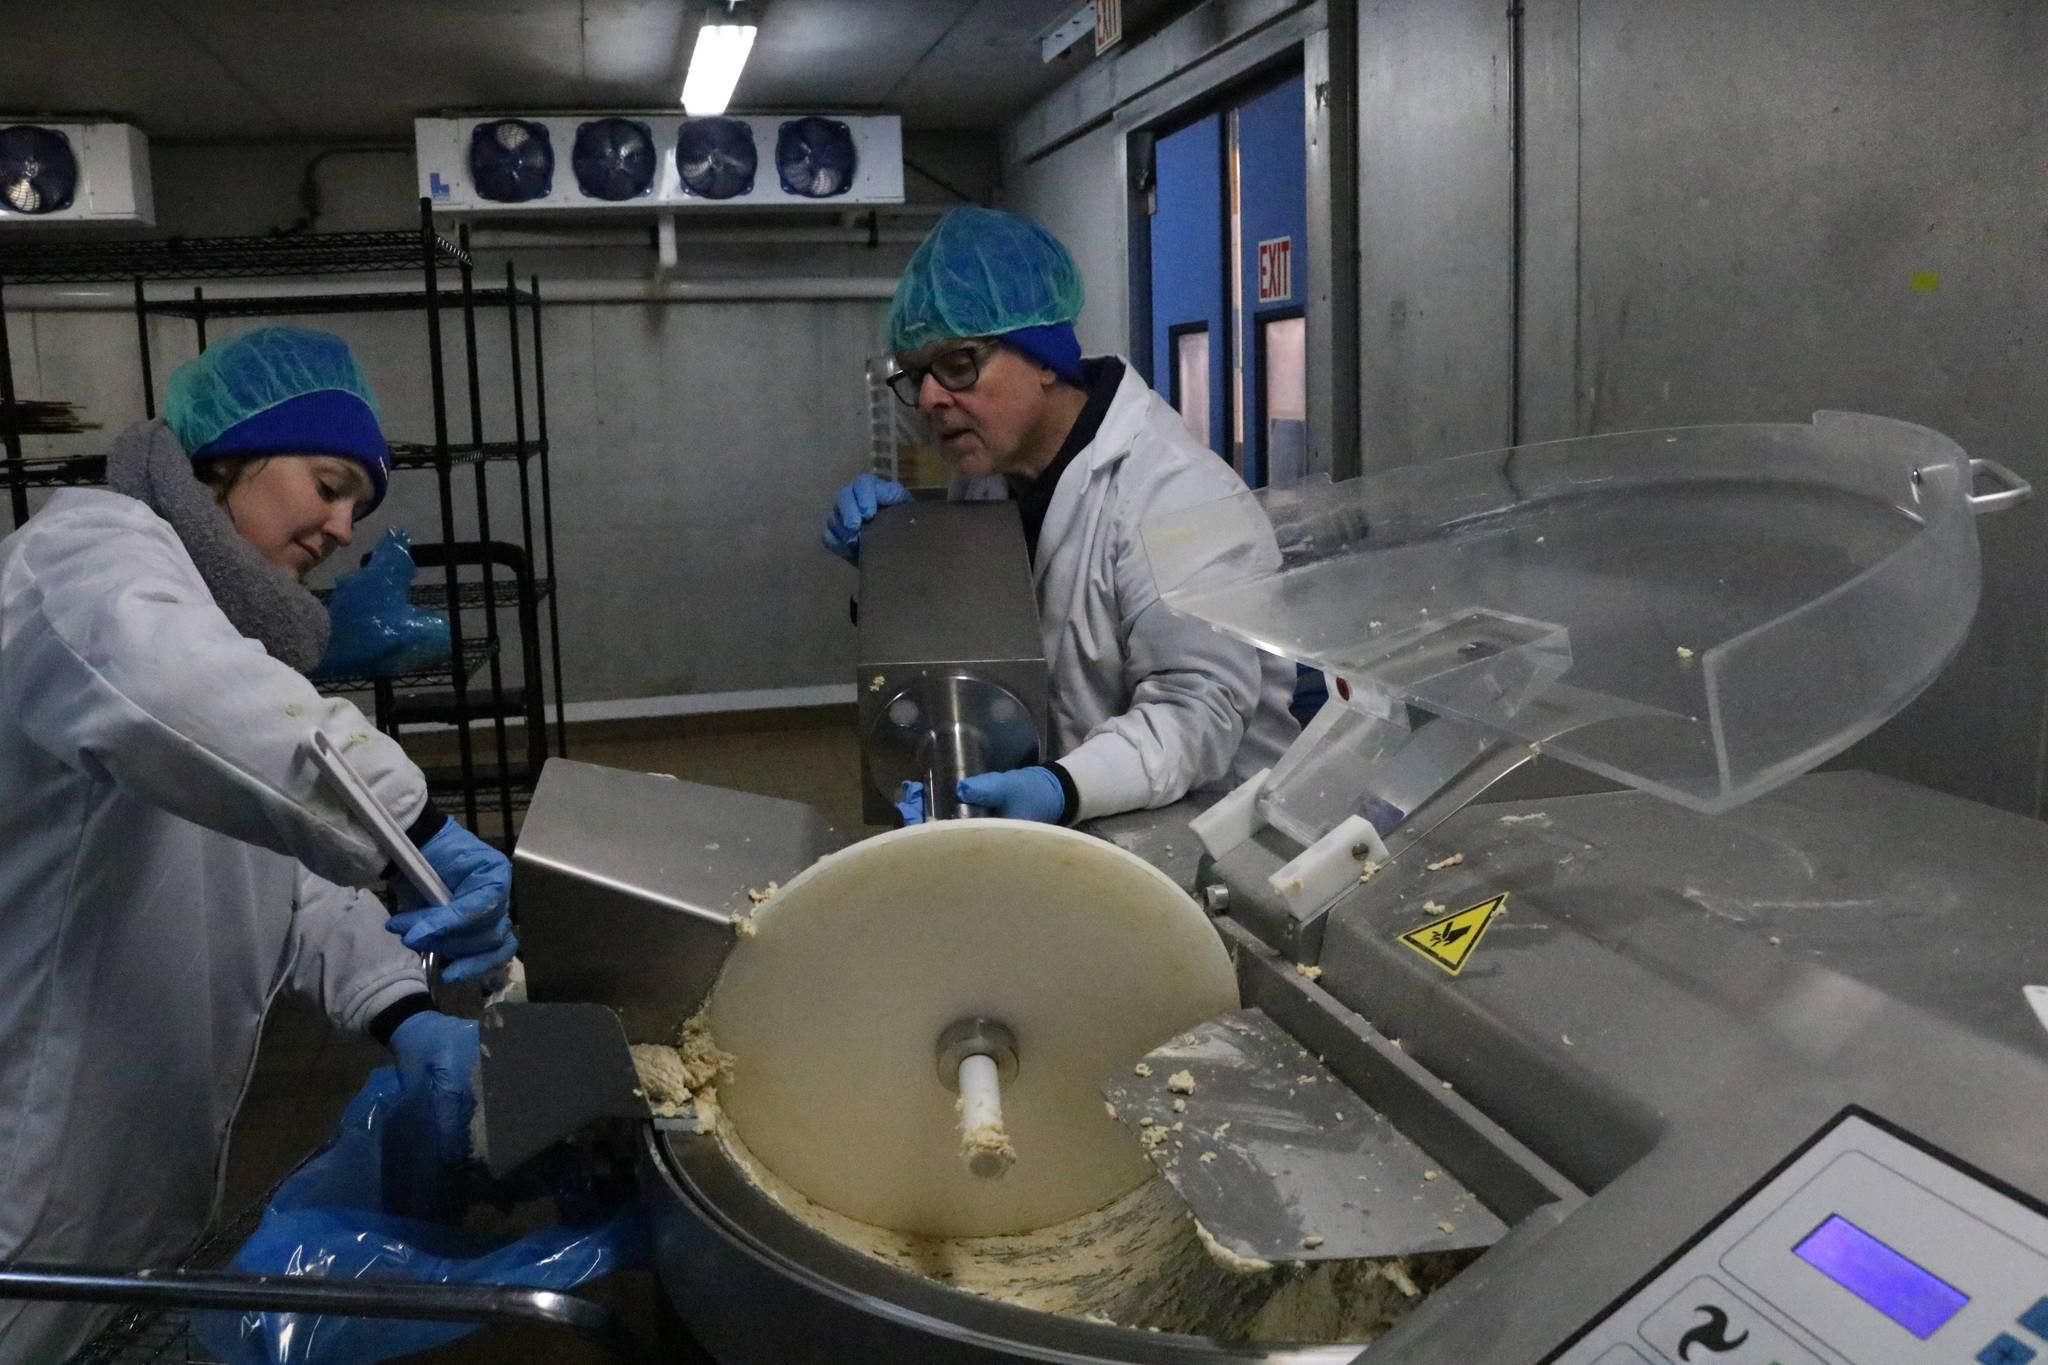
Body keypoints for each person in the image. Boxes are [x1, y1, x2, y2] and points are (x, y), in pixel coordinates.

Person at [0, 326, 515, 1362]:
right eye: (326, 484)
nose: (338, 526)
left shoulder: (209, 638)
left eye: (357, 508)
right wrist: (415, 826)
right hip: (28, 1148)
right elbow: (183, 693)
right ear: (227, 454)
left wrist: (402, 1010)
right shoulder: (86, 556)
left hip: (132, 1158)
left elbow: (280, 877)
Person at [823, 207, 1298, 826]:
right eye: (916, 376)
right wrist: (907, 568)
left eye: (959, 364)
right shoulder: (990, 483)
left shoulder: (1177, 493)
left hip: (1201, 839)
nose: (933, 398)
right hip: (1082, 830)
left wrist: (1059, 787)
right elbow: (984, 651)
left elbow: (1199, 714)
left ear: (1045, 357)